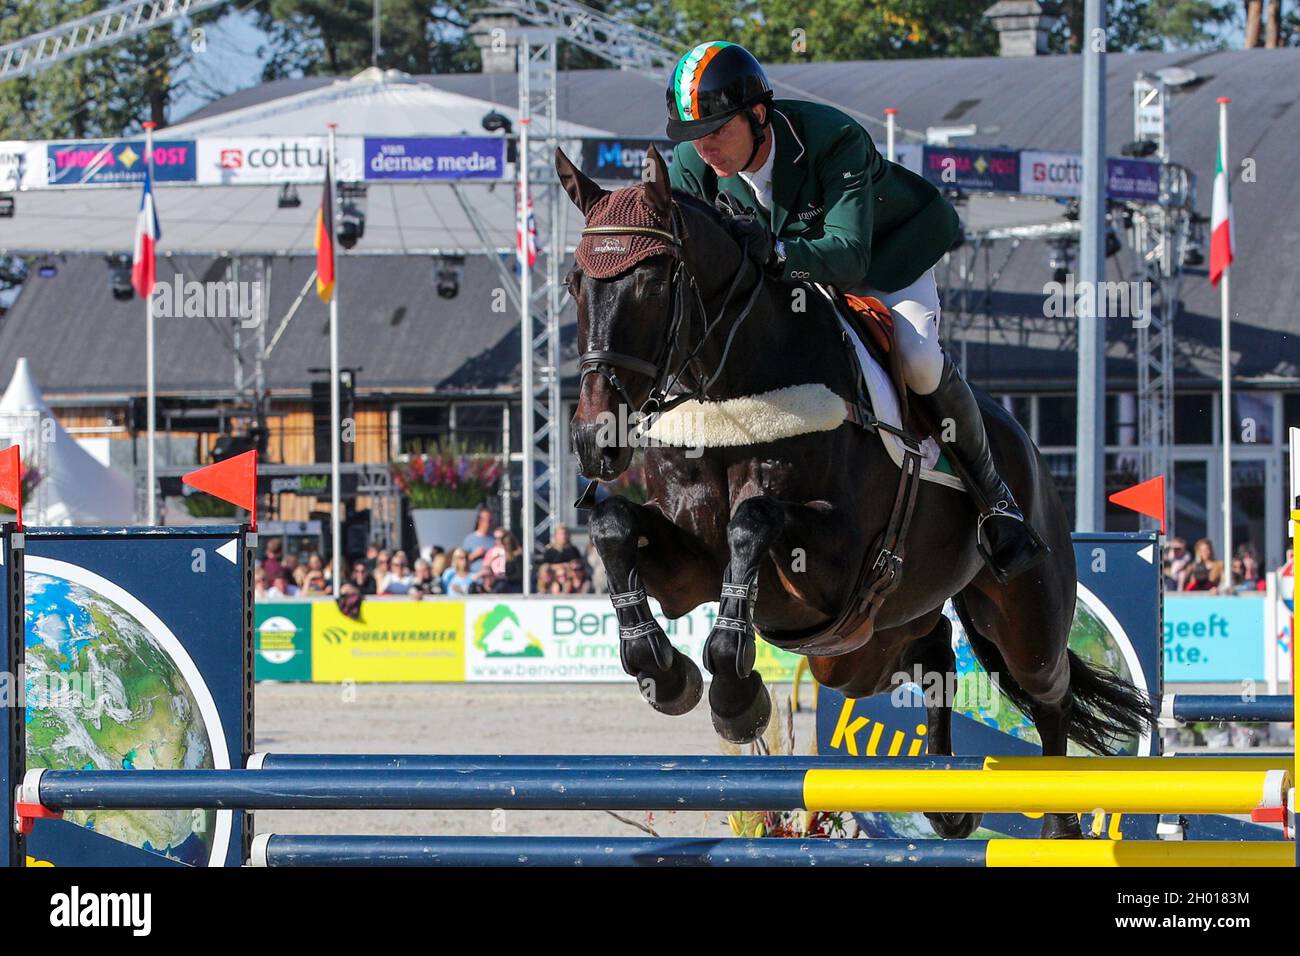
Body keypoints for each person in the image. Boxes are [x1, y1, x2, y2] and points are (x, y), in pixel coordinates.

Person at [663, 41, 1044, 583]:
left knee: (917, 360)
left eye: (717, 132)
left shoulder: (831, 138)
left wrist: (775, 251)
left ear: (758, 116)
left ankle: (995, 500)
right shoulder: (691, 164)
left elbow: (848, 253)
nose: (705, 150)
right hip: (786, 282)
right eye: (693, 138)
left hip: (882, 262)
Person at [462, 509, 496, 573]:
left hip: (491, 578)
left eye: (490, 520)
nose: (488, 523)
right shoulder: (469, 539)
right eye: (486, 520)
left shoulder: (495, 539)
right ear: (479, 521)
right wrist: (474, 555)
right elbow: (462, 561)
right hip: (474, 576)